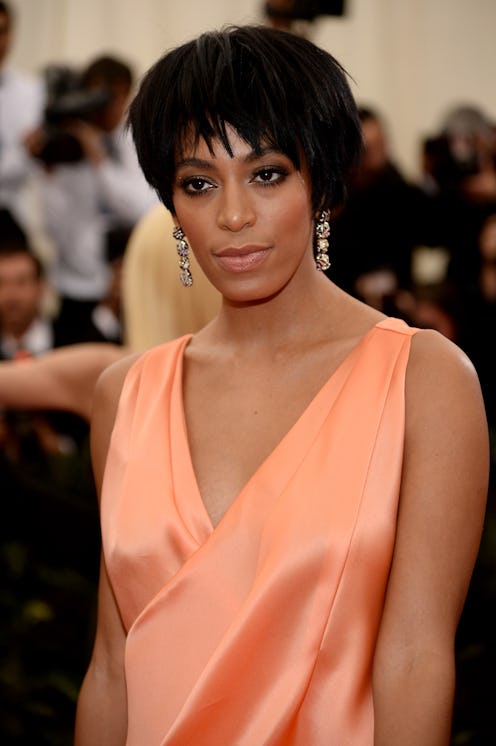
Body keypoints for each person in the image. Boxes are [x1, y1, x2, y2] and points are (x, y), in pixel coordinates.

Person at [74, 25, 488, 746]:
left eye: (266, 174)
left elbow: (415, 659)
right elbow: (113, 669)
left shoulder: (425, 381)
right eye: (199, 183)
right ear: (172, 205)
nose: (233, 216)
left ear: (321, 184)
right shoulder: (126, 396)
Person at [29, 54, 157, 343]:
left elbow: (144, 210)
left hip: (127, 284)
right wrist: (47, 170)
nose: (103, 109)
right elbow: (52, 227)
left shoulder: (136, 139)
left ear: (126, 94)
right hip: (78, 287)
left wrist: (99, 160)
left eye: (110, 98)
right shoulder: (67, 144)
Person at [0, 1, 44, 233]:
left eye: (3, 31)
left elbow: (34, 161)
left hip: (18, 218)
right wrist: (23, 153)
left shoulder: (33, 90)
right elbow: (26, 156)